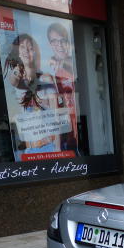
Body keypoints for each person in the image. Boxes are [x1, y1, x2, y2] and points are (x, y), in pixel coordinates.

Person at [3, 34, 59, 160]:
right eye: (22, 47)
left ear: (35, 52)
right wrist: (18, 69)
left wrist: (58, 149)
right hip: (29, 151)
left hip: (49, 148)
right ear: (18, 52)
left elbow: (56, 118)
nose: (26, 51)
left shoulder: (46, 78)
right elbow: (13, 80)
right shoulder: (17, 80)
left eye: (30, 47)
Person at [46, 22, 78, 151]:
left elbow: (74, 65)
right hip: (68, 135)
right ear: (50, 44)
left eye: (62, 40)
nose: (59, 45)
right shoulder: (53, 73)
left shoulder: (73, 63)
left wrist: (62, 62)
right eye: (54, 41)